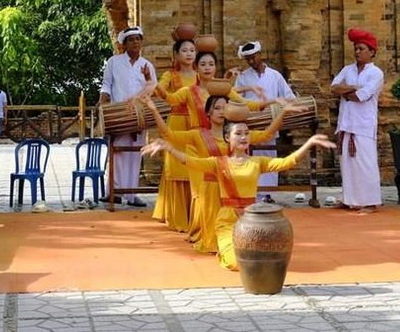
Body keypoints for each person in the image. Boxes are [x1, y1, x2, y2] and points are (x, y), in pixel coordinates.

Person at [142, 124, 335, 270]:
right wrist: (169, 147)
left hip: (252, 220)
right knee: (238, 263)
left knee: (262, 260)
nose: (244, 137)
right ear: (227, 138)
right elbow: (190, 161)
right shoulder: (218, 163)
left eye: (246, 133)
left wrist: (309, 143)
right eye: (238, 134)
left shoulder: (257, 162)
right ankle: (224, 251)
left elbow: (286, 162)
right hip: (227, 220)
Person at [142, 94, 306, 253]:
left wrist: (283, 112)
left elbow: (267, 134)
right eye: (217, 108)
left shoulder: (238, 134)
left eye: (225, 107)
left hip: (233, 192)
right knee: (214, 239)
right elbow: (168, 135)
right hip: (210, 190)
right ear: (208, 113)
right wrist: (153, 109)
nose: (221, 111)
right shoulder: (198, 135)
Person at [99, 26, 156, 207]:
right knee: (117, 153)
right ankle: (113, 192)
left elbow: (152, 87)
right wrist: (103, 98)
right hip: (119, 113)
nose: (135, 43)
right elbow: (106, 84)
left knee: (134, 153)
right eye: (131, 40)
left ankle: (131, 194)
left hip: (139, 114)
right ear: (124, 44)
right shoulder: (114, 62)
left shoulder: (147, 65)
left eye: (138, 39)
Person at [330, 28, 384, 214]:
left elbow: (362, 96)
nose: (358, 52)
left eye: (361, 48)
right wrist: (351, 87)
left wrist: (347, 92)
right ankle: (349, 199)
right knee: (347, 164)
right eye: (356, 48)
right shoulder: (348, 69)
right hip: (346, 123)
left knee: (365, 163)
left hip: (363, 125)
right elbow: (334, 87)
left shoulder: (376, 73)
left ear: (372, 51)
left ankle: (370, 202)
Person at [234, 41, 297, 201]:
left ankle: (268, 194)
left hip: (271, 122)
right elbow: (236, 100)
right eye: (247, 59)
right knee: (251, 158)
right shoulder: (243, 77)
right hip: (251, 125)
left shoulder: (275, 76)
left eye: (253, 57)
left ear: (260, 55)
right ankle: (252, 193)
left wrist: (281, 106)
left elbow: (289, 96)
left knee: (269, 158)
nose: (251, 61)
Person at [152, 39, 198, 232]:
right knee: (176, 168)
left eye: (192, 50)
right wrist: (152, 82)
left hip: (196, 124)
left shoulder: (200, 75)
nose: (189, 54)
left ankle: (194, 214)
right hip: (177, 122)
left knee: (194, 167)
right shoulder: (170, 75)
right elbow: (160, 90)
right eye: (185, 50)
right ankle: (176, 216)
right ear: (177, 55)